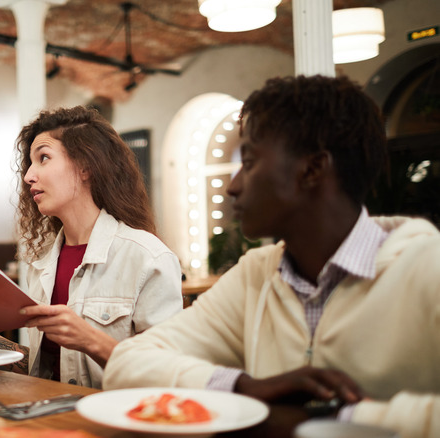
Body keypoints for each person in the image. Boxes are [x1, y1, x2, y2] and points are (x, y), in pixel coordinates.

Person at [103, 75, 440, 437]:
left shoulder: (426, 267)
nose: (233, 185)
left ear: (312, 169)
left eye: (248, 162)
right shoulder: (257, 275)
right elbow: (126, 364)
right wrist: (245, 388)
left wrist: (327, 422)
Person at [0, 106, 184, 388]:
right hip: (49, 414)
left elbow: (167, 374)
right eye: (29, 163)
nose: (28, 175)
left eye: (43, 158)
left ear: (86, 166)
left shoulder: (148, 257)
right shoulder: (42, 261)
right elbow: (47, 369)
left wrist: (91, 340)